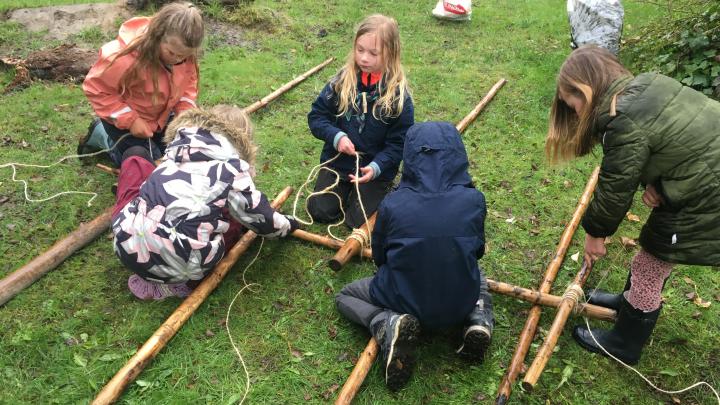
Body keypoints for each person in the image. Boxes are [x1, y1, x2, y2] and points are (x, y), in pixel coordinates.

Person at [545, 45, 720, 365]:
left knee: (652, 260)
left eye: (572, 106)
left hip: (710, 196)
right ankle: (626, 304)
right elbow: (679, 140)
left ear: (584, 90)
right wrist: (663, 186)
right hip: (705, 176)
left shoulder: (620, 117)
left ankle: (625, 341)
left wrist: (595, 233)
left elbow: (615, 187)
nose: (573, 114)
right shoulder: (647, 83)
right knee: (652, 252)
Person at [335, 122, 493, 391]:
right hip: (459, 302)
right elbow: (477, 251)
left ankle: (385, 322)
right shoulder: (474, 200)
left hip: (404, 298)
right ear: (457, 155)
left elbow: (381, 258)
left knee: (344, 296)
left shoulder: (392, 204)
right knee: (479, 277)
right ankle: (478, 319)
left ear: (409, 158)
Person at [111, 105, 299, 300]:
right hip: (182, 263)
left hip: (126, 246)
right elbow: (263, 220)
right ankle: (177, 281)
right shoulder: (231, 168)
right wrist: (289, 224)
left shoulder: (175, 151)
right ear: (243, 140)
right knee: (233, 223)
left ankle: (150, 268)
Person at [307, 14, 414, 229]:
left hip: (374, 171)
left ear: (390, 54)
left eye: (373, 53)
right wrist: (337, 137)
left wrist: (377, 167)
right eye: (360, 50)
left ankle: (375, 192)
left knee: (357, 222)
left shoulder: (398, 98)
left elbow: (399, 144)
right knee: (319, 210)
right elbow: (316, 117)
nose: (364, 58)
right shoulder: (341, 82)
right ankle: (345, 191)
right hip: (337, 163)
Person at [80, 2, 203, 166]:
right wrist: (132, 121)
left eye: (183, 56)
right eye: (171, 53)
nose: (177, 59)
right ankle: (102, 135)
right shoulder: (124, 57)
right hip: (123, 120)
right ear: (157, 36)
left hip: (160, 117)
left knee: (179, 154)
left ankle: (151, 142)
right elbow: (97, 90)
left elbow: (187, 86)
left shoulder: (185, 57)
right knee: (144, 162)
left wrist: (184, 112)